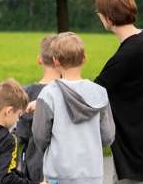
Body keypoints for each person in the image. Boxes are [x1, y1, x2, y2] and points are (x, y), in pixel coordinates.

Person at [92, 0, 143, 184]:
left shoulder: (129, 52)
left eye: (99, 13)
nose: (100, 17)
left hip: (132, 140)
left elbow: (94, 90)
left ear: (108, 17)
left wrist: (48, 101)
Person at [32, 32, 114, 184]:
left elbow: (40, 136)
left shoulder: (48, 94)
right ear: (84, 58)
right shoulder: (100, 93)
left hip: (57, 174)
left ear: (56, 61)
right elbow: (108, 135)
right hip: (92, 174)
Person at [14, 35, 58, 182]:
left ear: (40, 60)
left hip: (35, 171)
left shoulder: (28, 94)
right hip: (65, 170)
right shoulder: (70, 93)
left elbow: (18, 137)